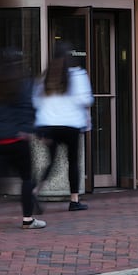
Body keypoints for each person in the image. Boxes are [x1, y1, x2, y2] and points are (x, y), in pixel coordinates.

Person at [0, 52, 46, 230]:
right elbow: (28, 108)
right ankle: (28, 219)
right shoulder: (23, 83)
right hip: (16, 137)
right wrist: (32, 130)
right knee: (27, 178)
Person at [32, 41, 94, 211]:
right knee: (73, 161)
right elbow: (86, 99)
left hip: (48, 125)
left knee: (51, 162)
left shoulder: (45, 76)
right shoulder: (78, 75)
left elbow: (36, 102)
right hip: (71, 125)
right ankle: (74, 200)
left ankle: (35, 191)